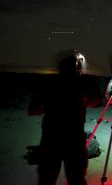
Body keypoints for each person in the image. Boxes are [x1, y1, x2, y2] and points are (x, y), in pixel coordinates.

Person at [28, 49, 102, 185]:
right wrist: (82, 103)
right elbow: (97, 99)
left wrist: (50, 107)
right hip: (74, 139)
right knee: (76, 178)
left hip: (51, 137)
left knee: (47, 178)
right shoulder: (83, 82)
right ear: (77, 67)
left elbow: (32, 110)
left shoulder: (48, 82)